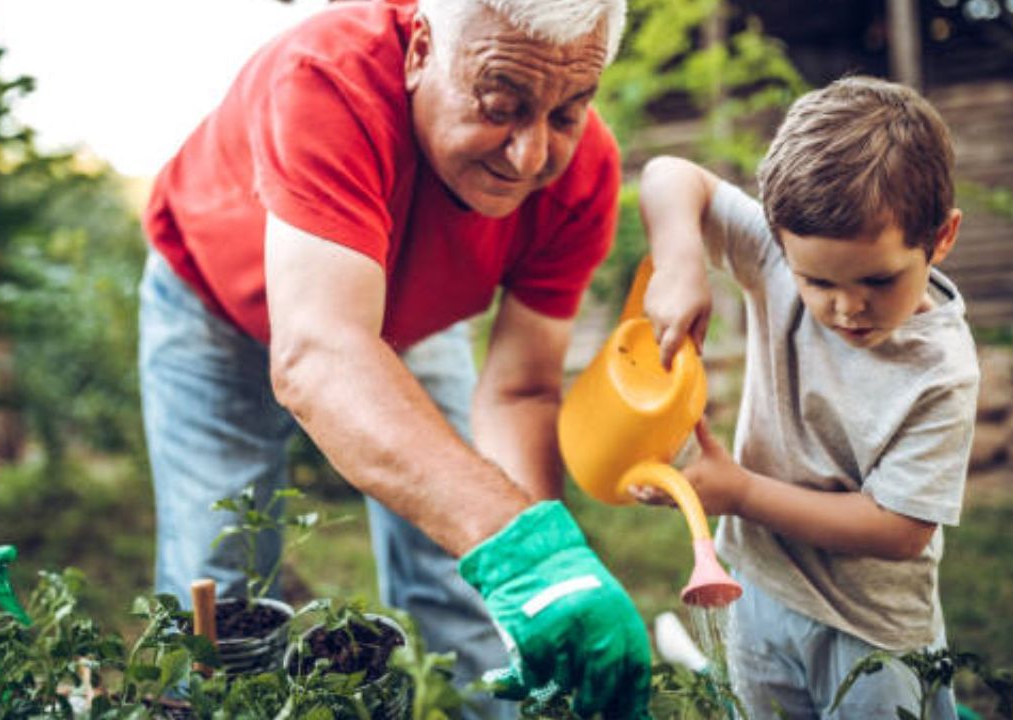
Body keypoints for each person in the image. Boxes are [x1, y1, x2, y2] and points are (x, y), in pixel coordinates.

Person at [137, 0, 651, 717]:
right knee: (220, 590)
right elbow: (320, 354)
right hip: (214, 307)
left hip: (401, 321)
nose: (531, 155)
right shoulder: (328, 81)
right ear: (419, 52)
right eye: (502, 103)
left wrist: (549, 569)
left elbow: (521, 391)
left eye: (567, 114)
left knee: (469, 573)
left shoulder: (583, 175)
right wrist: (519, 546)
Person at [635, 76, 977, 718]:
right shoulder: (772, 255)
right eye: (816, 281)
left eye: (879, 279)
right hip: (758, 590)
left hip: (870, 631)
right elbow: (667, 174)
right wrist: (681, 259)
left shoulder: (941, 370)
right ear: (780, 240)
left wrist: (738, 493)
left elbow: (899, 529)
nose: (847, 307)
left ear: (942, 237)